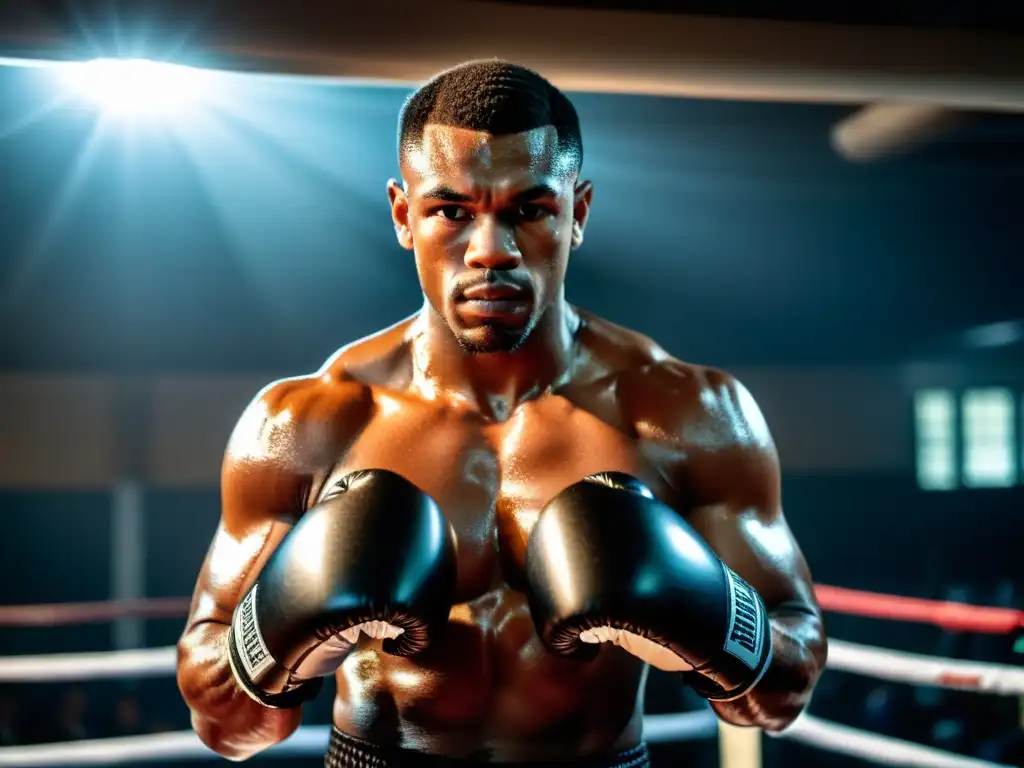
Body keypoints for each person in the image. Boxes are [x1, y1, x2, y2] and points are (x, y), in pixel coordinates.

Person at [177, 59, 826, 766]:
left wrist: (705, 619)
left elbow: (782, 693)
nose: (491, 251)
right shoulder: (309, 421)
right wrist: (287, 628)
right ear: (404, 214)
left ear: (576, 213)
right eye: (451, 210)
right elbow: (227, 726)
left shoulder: (687, 414)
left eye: (529, 210)